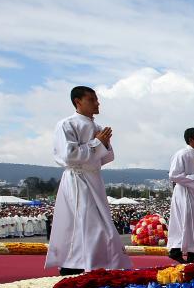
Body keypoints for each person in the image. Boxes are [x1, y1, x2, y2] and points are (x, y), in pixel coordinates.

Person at [45, 86, 130, 275]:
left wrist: (104, 144)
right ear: (78, 101)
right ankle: (74, 264)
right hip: (77, 179)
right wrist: (97, 143)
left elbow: (106, 158)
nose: (97, 103)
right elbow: (69, 156)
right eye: (92, 99)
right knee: (86, 223)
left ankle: (101, 263)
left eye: (96, 99)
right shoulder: (67, 124)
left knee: (100, 223)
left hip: (94, 178)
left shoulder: (98, 127)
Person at [166, 127, 194, 263]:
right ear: (191, 139)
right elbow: (174, 175)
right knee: (185, 221)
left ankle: (193, 251)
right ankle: (177, 250)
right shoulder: (182, 154)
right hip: (184, 193)